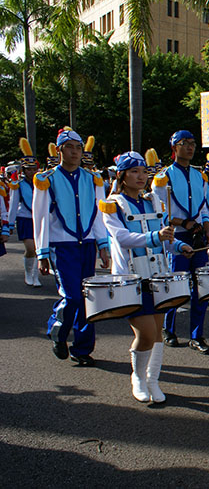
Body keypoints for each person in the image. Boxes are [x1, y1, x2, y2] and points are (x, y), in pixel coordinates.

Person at [100, 152, 194, 402]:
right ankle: (138, 378)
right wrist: (157, 237)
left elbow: (165, 239)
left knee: (158, 331)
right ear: (121, 175)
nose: (141, 176)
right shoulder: (112, 204)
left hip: (156, 274)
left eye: (143, 171)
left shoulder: (153, 202)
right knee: (145, 332)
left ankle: (153, 380)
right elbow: (122, 238)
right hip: (130, 278)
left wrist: (178, 246)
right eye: (134, 172)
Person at [33, 129, 110, 366]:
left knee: (88, 298)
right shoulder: (47, 180)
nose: (75, 152)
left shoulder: (92, 178)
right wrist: (42, 252)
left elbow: (98, 215)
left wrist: (103, 245)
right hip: (61, 246)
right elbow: (41, 216)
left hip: (86, 244)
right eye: (69, 147)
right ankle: (56, 329)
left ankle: (83, 348)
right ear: (59, 151)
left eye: (78, 147)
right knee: (72, 296)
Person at [152, 130, 209, 354]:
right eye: (184, 143)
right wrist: (181, 222)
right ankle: (168, 329)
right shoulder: (163, 176)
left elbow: (204, 208)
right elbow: (157, 210)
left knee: (201, 287)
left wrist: (206, 229)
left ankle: (197, 335)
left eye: (193, 143)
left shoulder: (200, 176)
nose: (190, 147)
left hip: (197, 235)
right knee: (176, 283)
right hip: (176, 235)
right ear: (174, 147)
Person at [6, 138, 42, 286]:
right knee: (30, 248)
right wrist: (8, 225)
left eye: (34, 169)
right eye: (29, 169)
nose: (32, 172)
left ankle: (35, 275)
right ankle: (28, 272)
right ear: (23, 170)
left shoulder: (42, 184)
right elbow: (13, 205)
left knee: (37, 249)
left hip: (38, 218)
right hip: (24, 218)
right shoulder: (18, 185)